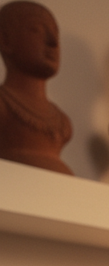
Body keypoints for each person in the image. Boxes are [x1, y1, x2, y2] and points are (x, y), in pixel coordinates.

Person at [0, 1, 72, 174]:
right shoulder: (4, 106)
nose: (53, 42)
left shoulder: (62, 120)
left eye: (56, 33)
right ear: (5, 41)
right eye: (36, 30)